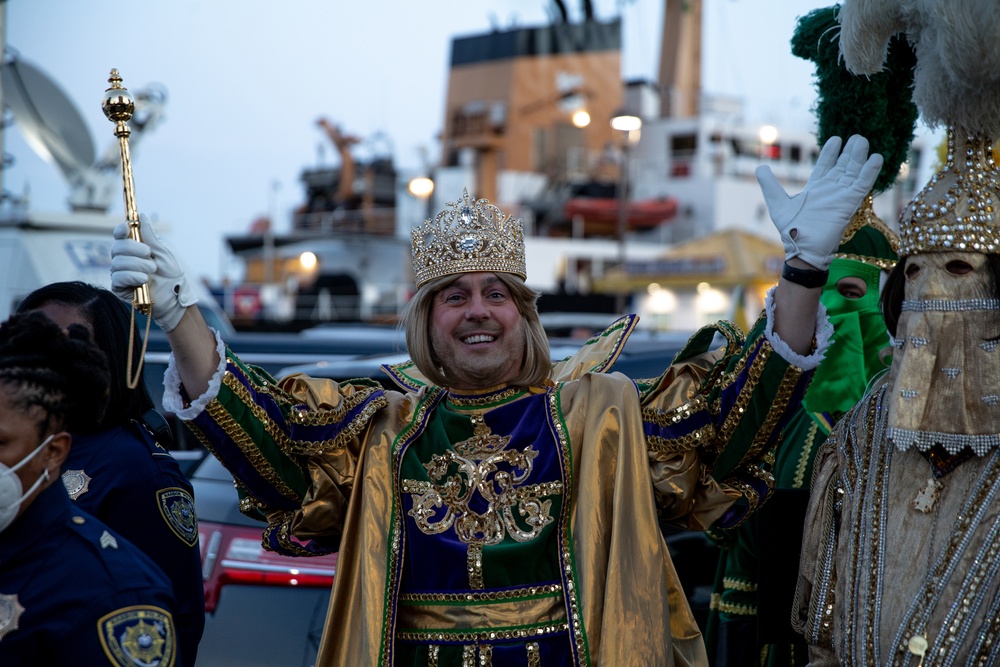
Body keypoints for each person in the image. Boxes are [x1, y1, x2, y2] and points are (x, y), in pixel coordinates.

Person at [110, 135, 881, 665]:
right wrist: (181, 321)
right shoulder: (383, 431)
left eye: (495, 293)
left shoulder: (598, 415)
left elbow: (727, 427)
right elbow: (278, 454)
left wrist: (804, 273)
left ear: (524, 313)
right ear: (425, 319)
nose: (476, 309)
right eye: (452, 296)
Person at [793, 1, 1000, 663]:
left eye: (960, 269)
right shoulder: (865, 426)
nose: (930, 291)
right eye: (915, 271)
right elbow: (822, 616)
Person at [706, 220, 899, 666]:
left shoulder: (904, 414)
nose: (834, 307)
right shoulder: (766, 401)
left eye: (853, 293)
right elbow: (714, 509)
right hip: (759, 626)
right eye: (821, 291)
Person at [16, 281, 204, 666]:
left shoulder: (143, 475)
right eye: (29, 343)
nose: (39, 361)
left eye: (64, 345)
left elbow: (173, 628)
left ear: (111, 359)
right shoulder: (20, 449)